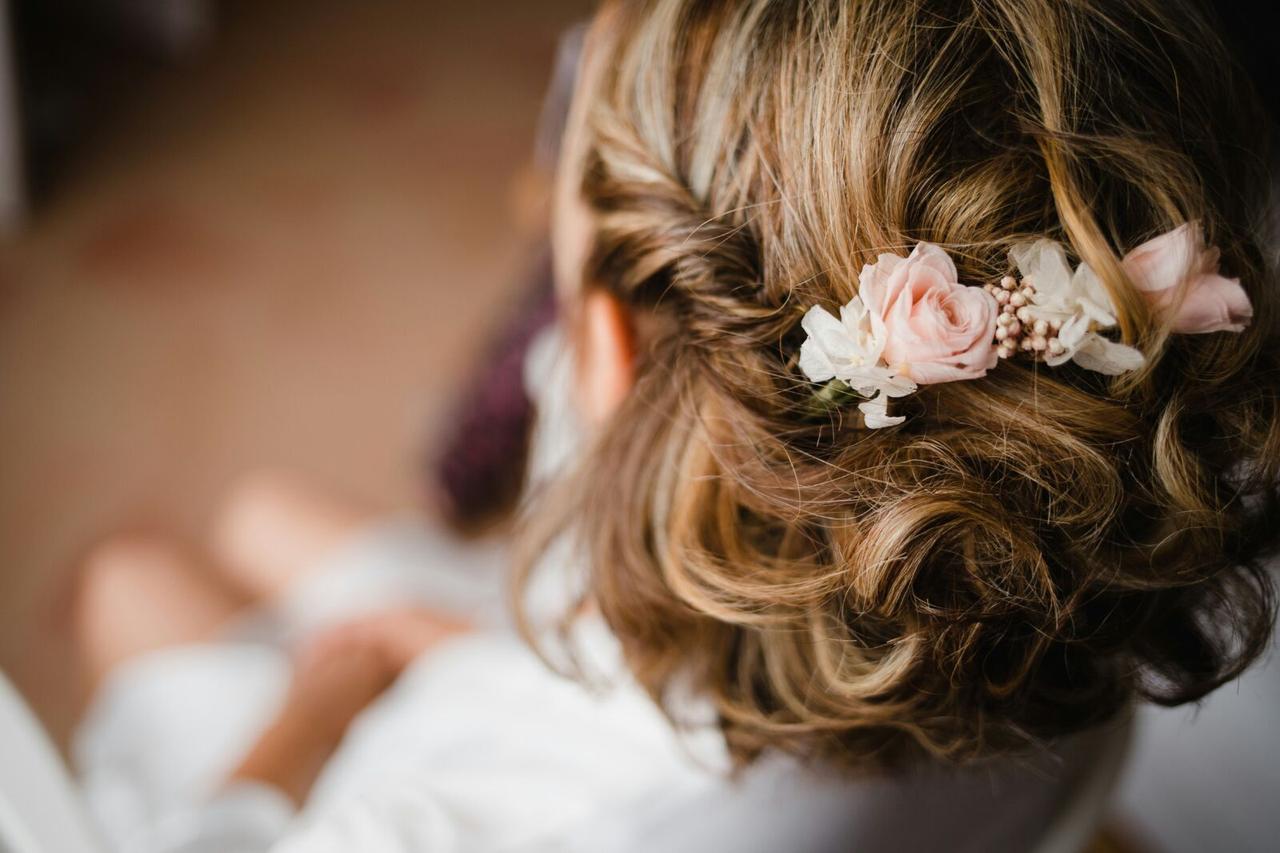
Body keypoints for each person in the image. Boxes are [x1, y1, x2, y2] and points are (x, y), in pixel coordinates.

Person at [69, 1, 1278, 851]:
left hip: (507, 731)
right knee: (262, 518)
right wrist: (458, 650)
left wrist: (319, 710)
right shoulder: (1078, 574)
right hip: (596, 668)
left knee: (127, 580)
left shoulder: (423, 829)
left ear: (595, 349)